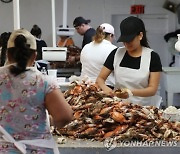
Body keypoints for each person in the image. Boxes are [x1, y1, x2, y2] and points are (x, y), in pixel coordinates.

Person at [0, 28, 73, 153]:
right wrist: (47, 121)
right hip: (38, 149)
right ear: (34, 55)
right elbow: (65, 116)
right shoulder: (44, 81)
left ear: (8, 54)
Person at [96, 16, 162, 106]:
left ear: (140, 35)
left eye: (130, 40)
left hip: (143, 108)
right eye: (124, 40)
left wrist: (130, 93)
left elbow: (152, 89)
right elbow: (100, 78)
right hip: (118, 107)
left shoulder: (152, 57)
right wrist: (106, 89)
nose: (126, 44)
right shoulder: (116, 53)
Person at [80, 23, 117, 88]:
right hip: (105, 87)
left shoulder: (86, 47)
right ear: (111, 35)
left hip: (84, 87)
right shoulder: (113, 49)